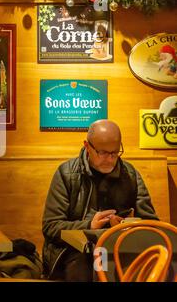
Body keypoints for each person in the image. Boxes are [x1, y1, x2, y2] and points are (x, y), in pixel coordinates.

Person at [41, 119, 158, 281]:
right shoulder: (66, 174)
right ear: (87, 146)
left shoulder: (130, 175)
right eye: (102, 152)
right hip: (73, 252)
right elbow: (51, 226)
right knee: (88, 267)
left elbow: (152, 225)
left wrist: (127, 225)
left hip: (119, 249)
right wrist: (89, 225)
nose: (110, 159)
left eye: (115, 153)